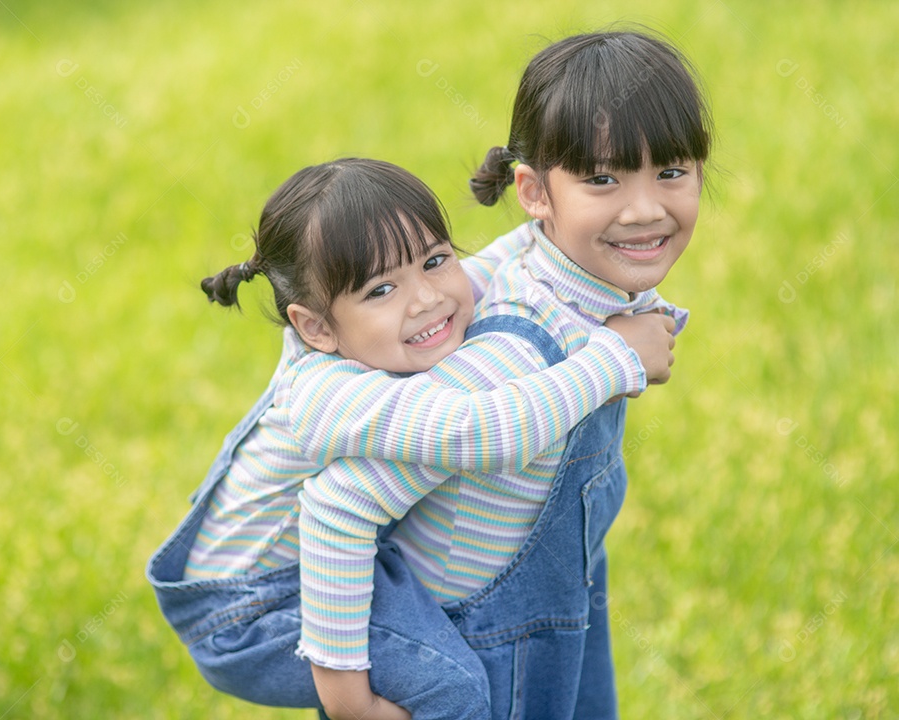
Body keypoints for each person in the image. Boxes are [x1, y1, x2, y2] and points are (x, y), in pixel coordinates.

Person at [147, 158, 676, 719]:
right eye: (381, 290)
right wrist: (614, 360)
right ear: (316, 327)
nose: (425, 299)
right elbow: (481, 432)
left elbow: (489, 268)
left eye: (435, 259)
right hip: (254, 609)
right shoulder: (333, 397)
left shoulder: (370, 331)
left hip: (319, 568)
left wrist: (557, 225)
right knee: (452, 689)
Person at [286, 28, 711, 719]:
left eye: (671, 171)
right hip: (486, 639)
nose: (644, 208)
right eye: (603, 179)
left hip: (557, 605)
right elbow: (339, 503)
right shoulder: (517, 347)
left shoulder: (549, 270)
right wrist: (348, 698)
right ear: (534, 193)